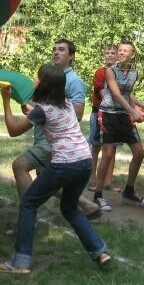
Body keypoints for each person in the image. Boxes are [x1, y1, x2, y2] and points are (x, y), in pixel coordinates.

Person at [0, 65, 111, 274]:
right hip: (84, 162)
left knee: (29, 203)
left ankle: (20, 262)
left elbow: (13, 130)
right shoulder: (66, 104)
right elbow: (48, 116)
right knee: (69, 208)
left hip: (65, 163)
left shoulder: (42, 110)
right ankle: (100, 251)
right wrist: (32, 112)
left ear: (43, 83)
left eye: (36, 78)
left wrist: (5, 101)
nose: (34, 80)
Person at [10, 39, 100, 219]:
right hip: (45, 136)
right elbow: (45, 104)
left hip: (54, 141)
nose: (56, 53)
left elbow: (79, 113)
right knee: (44, 178)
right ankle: (87, 204)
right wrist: (34, 108)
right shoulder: (52, 76)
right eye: (54, 49)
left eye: (61, 50)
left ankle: (28, 217)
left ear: (71, 56)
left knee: (20, 166)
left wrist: (46, 110)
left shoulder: (74, 81)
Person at [92, 41, 144, 209]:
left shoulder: (134, 73)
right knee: (108, 155)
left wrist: (143, 107)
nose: (122, 53)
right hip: (108, 115)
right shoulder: (110, 71)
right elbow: (117, 95)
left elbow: (127, 93)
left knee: (139, 153)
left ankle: (129, 192)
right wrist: (134, 112)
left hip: (124, 116)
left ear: (132, 55)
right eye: (120, 50)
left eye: (126, 51)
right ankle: (98, 194)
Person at [89, 45, 118, 189]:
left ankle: (108, 181)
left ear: (117, 56)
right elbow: (103, 95)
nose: (110, 55)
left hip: (115, 115)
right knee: (96, 146)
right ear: (104, 55)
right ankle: (92, 179)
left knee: (112, 148)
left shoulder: (120, 73)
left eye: (113, 53)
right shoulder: (100, 72)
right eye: (108, 53)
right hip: (99, 113)